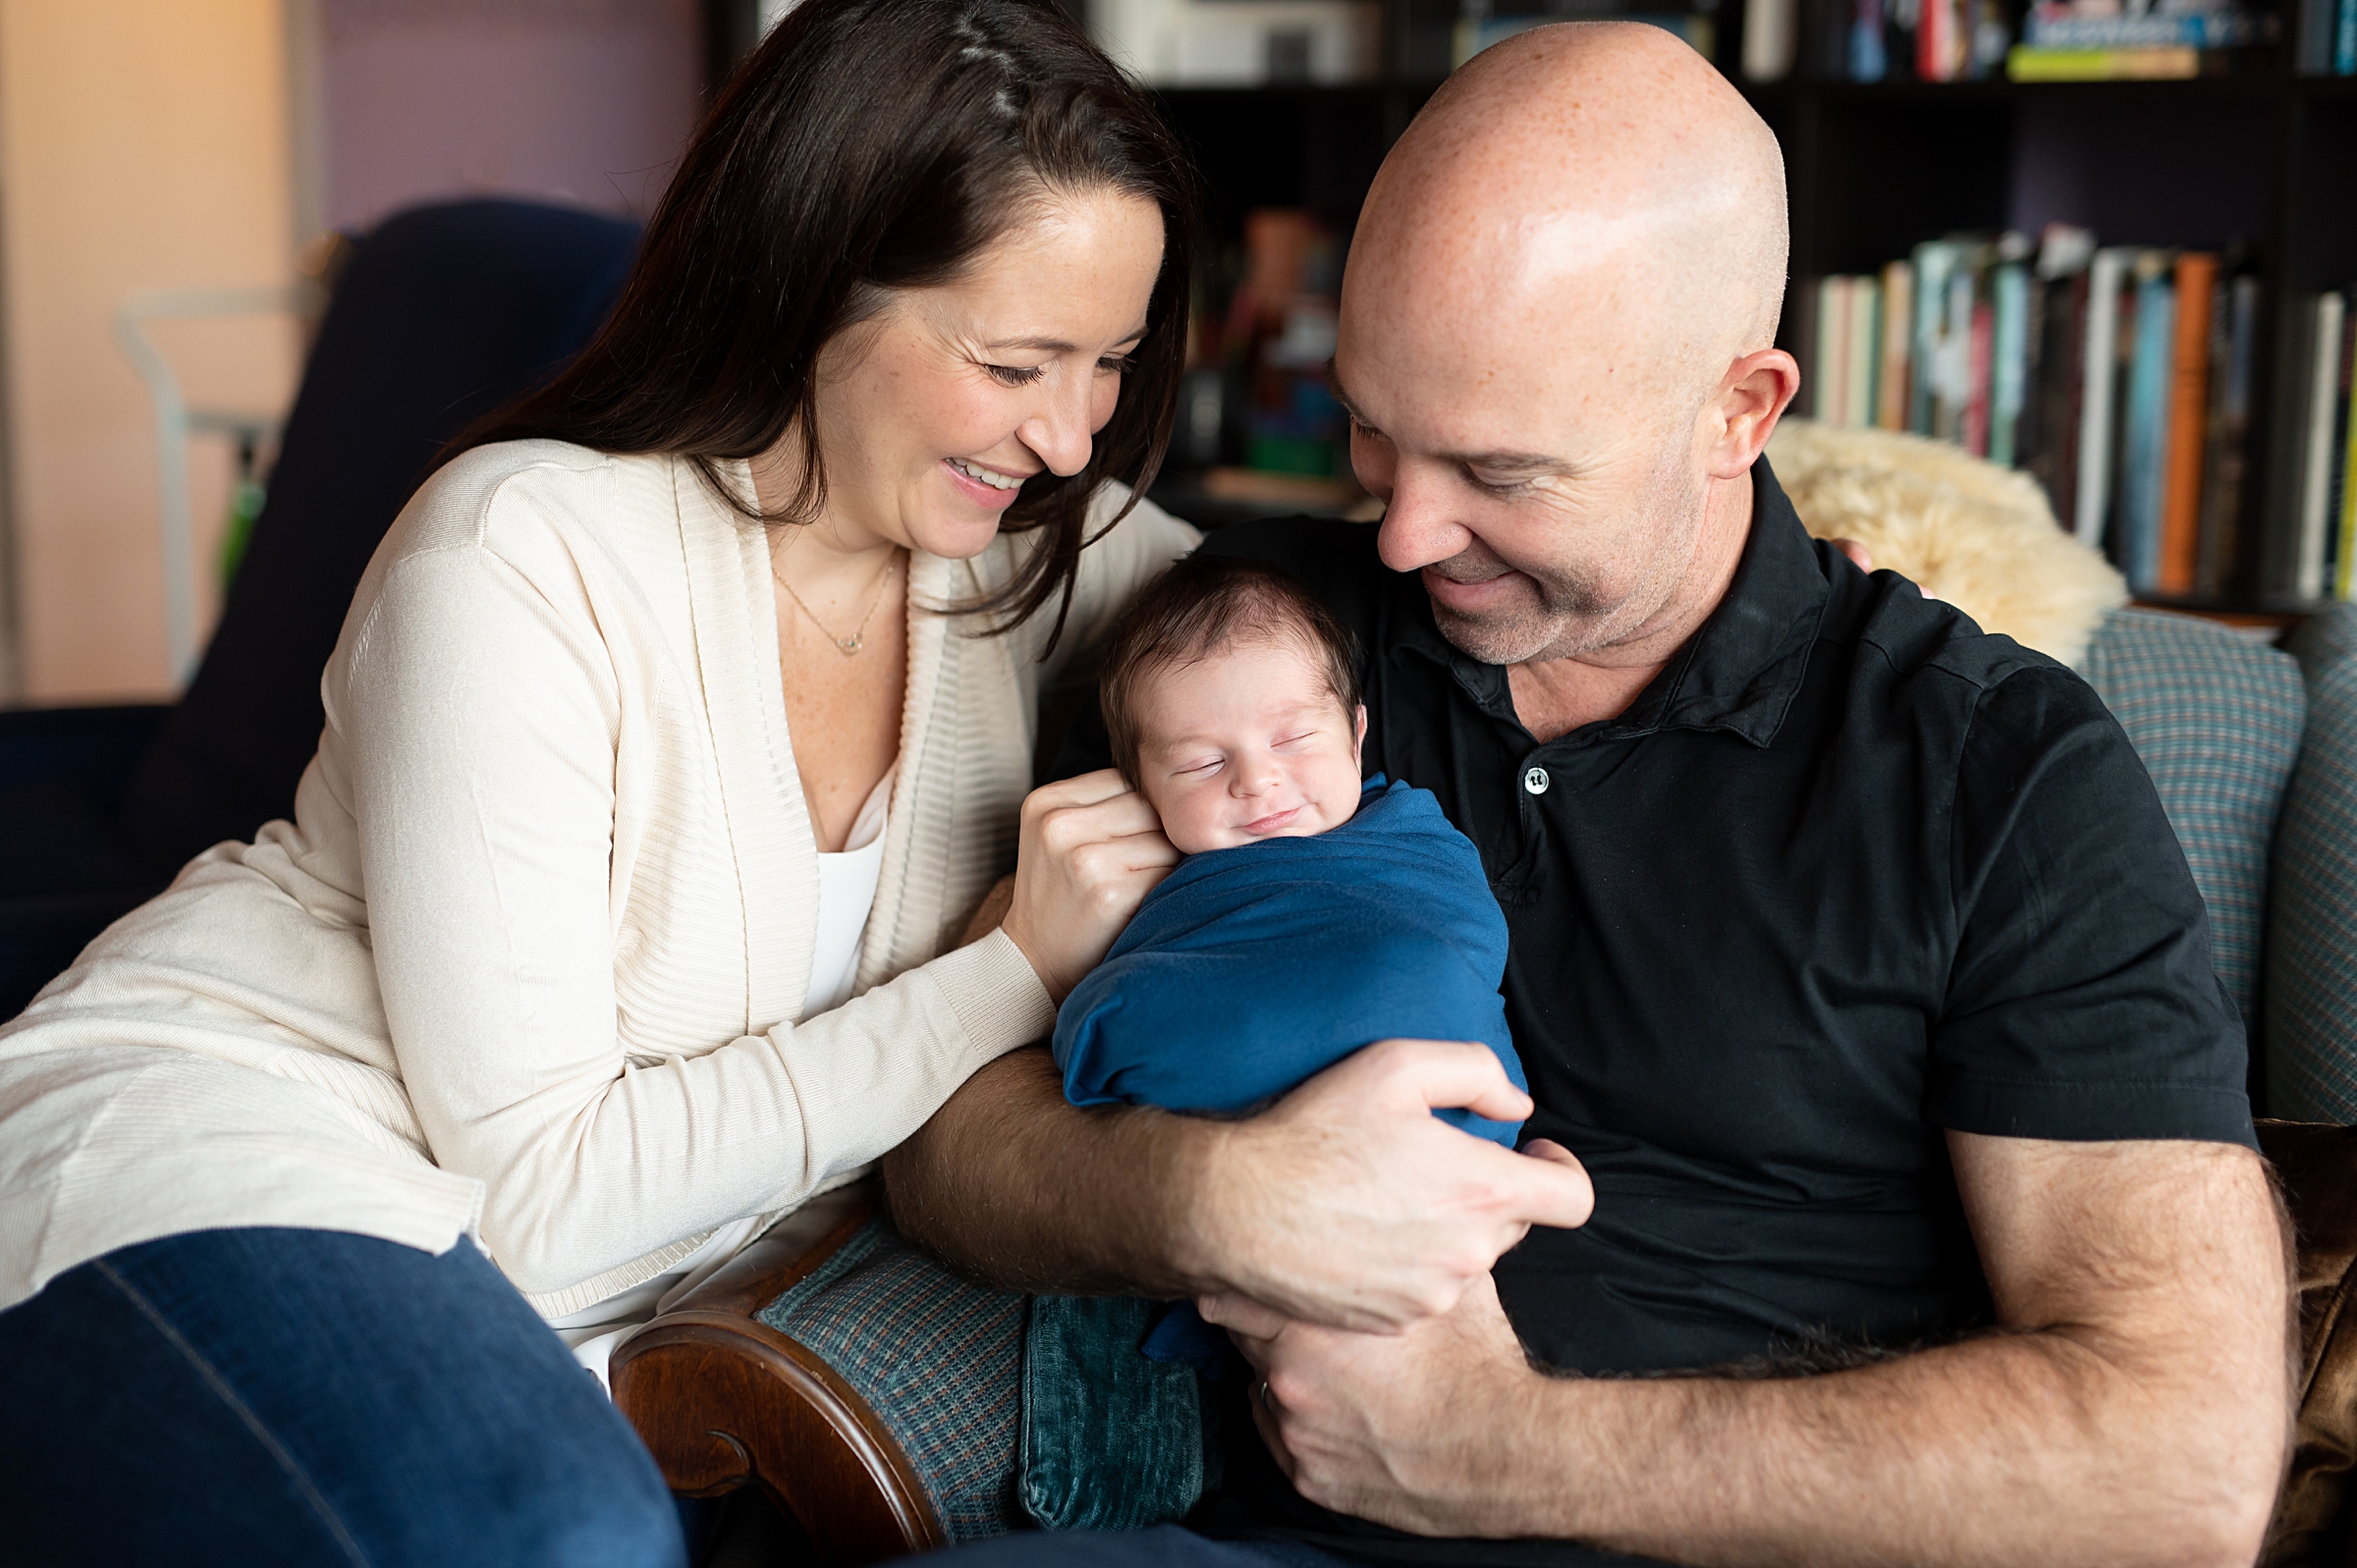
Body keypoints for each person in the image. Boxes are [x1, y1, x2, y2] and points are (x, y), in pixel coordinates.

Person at [888, 22, 2291, 1568]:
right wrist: (1202, 1195)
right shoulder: (1258, 661)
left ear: (1738, 412)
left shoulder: (1995, 771)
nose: (1407, 534)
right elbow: (944, 1136)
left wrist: (1501, 1454)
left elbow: (2185, 1468)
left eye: (1498, 470)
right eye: (1373, 428)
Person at [0, 2, 1200, 1562]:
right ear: (810, 279)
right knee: (552, 1530)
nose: (1066, 435)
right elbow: (545, 1196)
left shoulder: (1009, 555)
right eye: (1014, 360)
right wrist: (1006, 977)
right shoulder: (523, 552)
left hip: (590, 1285)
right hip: (251, 1151)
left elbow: (1313, 637)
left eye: (1110, 361)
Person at [1054, 553, 1526, 1147]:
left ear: (1356, 739)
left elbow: (1472, 939)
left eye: (1294, 738)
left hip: (1426, 1060)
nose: (1256, 780)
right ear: (1143, 789)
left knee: (1429, 973)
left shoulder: (1410, 835)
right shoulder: (1142, 876)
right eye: (1203, 762)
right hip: (1222, 1110)